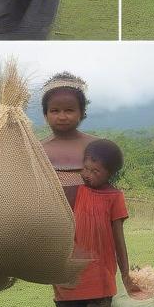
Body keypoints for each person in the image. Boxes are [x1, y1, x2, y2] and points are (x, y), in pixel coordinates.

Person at [54, 138, 131, 307]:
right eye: (85, 168)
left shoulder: (114, 197)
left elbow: (119, 238)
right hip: (70, 272)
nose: (87, 174)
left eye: (95, 171)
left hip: (101, 273)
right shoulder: (75, 191)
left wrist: (126, 273)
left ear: (110, 173)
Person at [40, 72, 97, 209]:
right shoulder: (37, 150)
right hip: (51, 221)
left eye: (69, 110)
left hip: (92, 220)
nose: (62, 116)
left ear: (82, 112)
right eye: (55, 110)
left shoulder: (96, 146)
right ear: (45, 115)